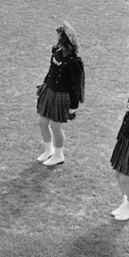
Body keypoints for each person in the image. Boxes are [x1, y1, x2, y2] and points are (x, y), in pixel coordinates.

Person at [35, 21, 85, 166]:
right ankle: (49, 149)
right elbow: (51, 71)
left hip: (62, 96)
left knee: (56, 127)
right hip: (50, 91)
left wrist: (74, 105)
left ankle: (59, 155)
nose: (58, 40)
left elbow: (76, 85)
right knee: (42, 123)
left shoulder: (74, 61)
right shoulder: (57, 53)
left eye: (60, 38)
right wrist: (44, 84)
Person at [110, 89, 129, 221]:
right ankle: (127, 202)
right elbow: (128, 114)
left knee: (125, 178)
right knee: (118, 173)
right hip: (127, 135)